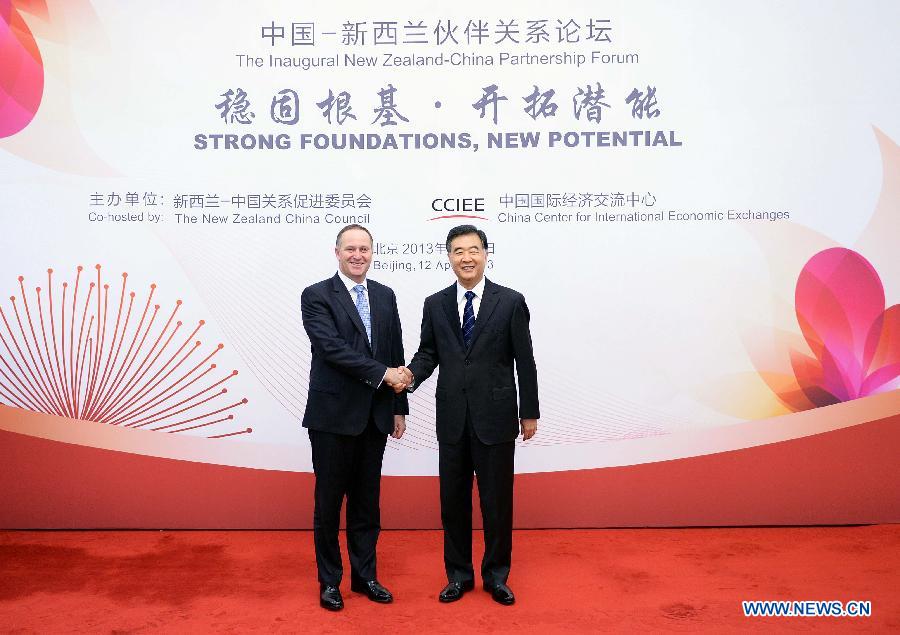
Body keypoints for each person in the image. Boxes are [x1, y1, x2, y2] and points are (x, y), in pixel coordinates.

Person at [401, 224, 539, 606]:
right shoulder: (435, 303)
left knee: (497, 503)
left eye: (473, 250)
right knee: (453, 503)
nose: (466, 257)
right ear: (449, 257)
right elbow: (429, 353)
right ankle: (458, 576)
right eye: (458, 251)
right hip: (452, 419)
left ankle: (496, 576)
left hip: (495, 418)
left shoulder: (510, 301)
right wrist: (410, 376)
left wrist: (529, 412)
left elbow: (524, 361)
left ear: (485, 254)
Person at [301, 224, 410, 611]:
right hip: (332, 418)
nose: (358, 255)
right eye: (350, 249)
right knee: (329, 504)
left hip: (375, 418)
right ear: (337, 252)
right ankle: (330, 581)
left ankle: (365, 577)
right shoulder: (316, 296)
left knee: (367, 504)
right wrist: (383, 374)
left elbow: (395, 349)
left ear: (372, 252)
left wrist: (399, 408)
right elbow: (330, 349)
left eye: (364, 248)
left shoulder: (384, 295)